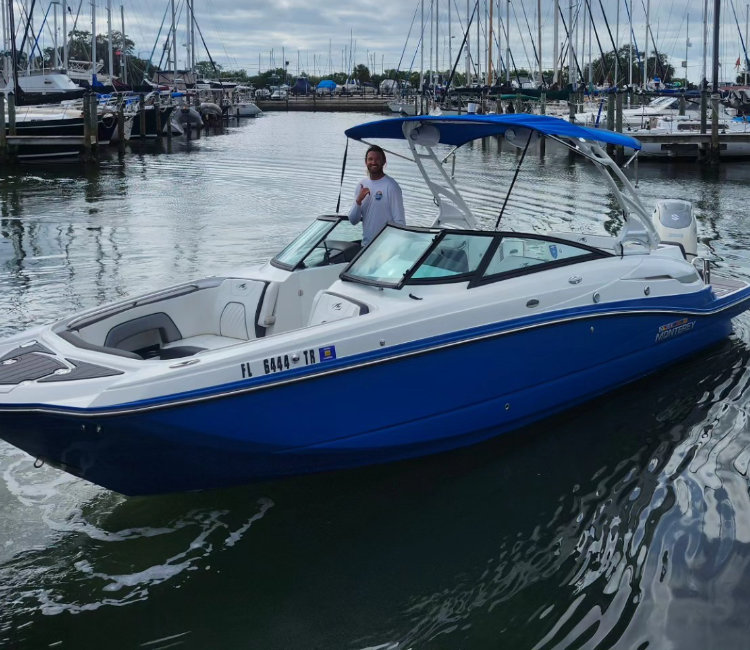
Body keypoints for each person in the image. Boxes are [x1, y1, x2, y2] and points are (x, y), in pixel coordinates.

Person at [348, 145, 405, 246]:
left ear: (384, 162)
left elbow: (399, 222)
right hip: (366, 246)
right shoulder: (362, 185)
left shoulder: (391, 186)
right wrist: (358, 201)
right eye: (370, 159)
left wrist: (394, 247)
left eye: (377, 159)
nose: (373, 162)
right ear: (366, 162)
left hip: (385, 248)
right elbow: (353, 220)